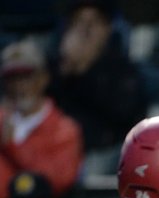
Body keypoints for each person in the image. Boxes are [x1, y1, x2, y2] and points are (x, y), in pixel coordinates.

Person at [47, 0, 148, 152]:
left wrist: (84, 70)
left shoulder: (123, 69)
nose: (85, 31)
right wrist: (65, 71)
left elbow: (123, 114)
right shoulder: (56, 69)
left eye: (93, 22)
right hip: (58, 150)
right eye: (78, 22)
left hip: (107, 153)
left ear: (107, 28)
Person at [0, 39, 83, 198]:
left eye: (26, 77)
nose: (18, 85)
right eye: (12, 78)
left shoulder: (64, 130)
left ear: (43, 78)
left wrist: (14, 147)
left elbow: (58, 180)